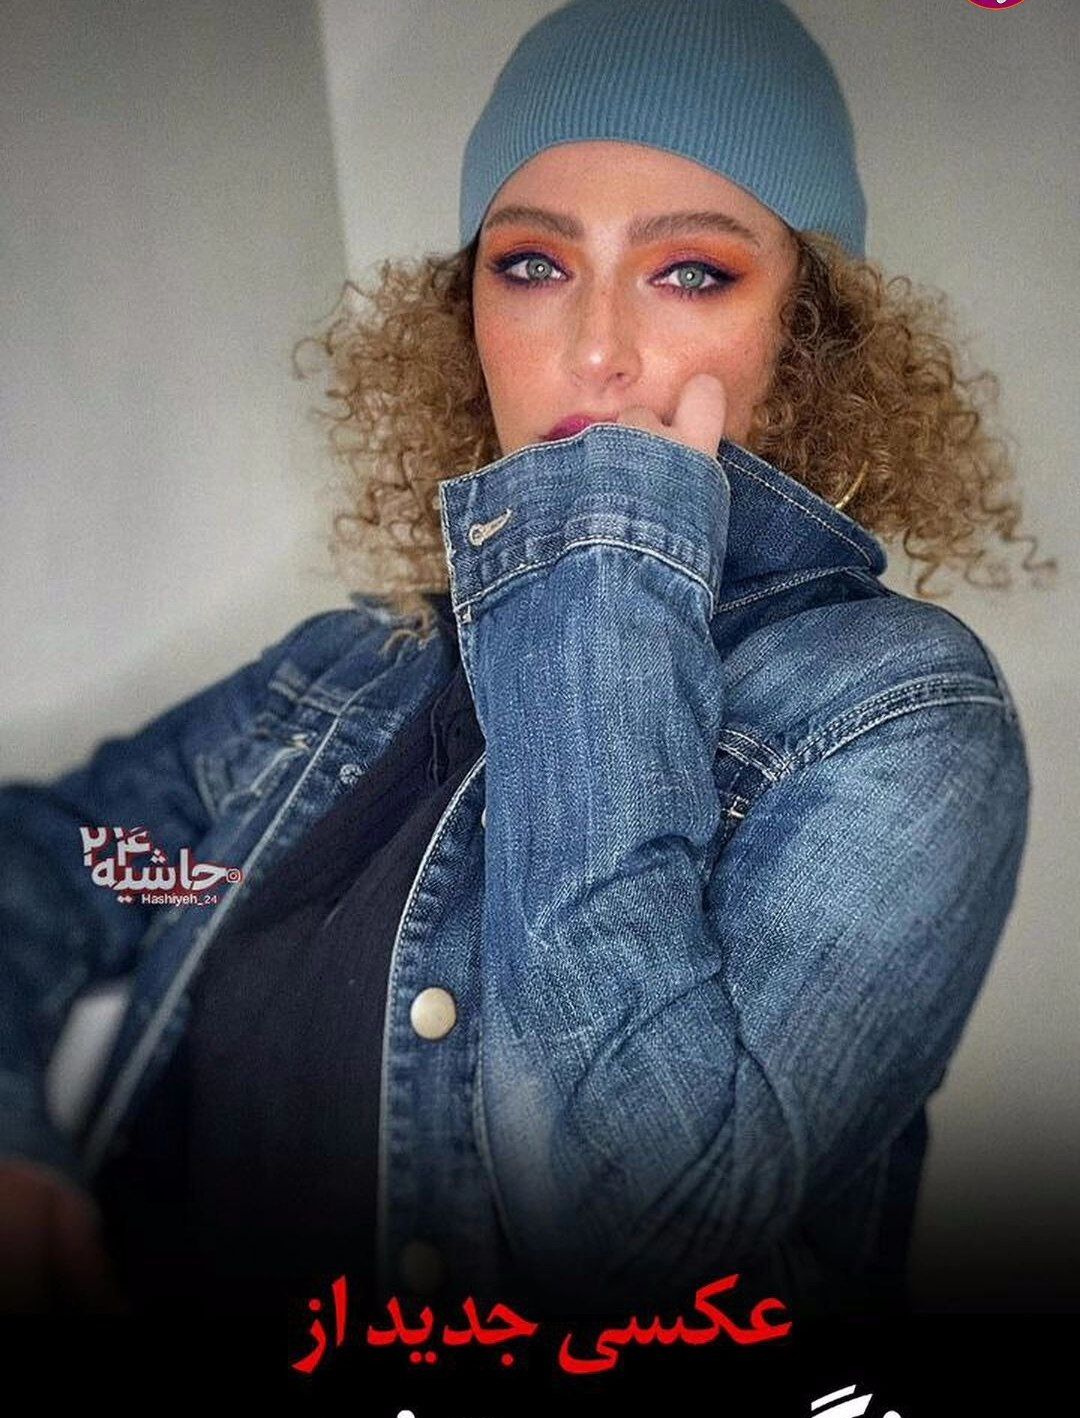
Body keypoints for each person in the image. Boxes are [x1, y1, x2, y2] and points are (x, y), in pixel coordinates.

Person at [0, 0, 1042, 1321]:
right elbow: (66, 860)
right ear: (468, 316)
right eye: (533, 265)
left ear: (808, 338)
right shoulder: (351, 671)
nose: (594, 349)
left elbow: (636, 1235)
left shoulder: (897, 711)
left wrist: (608, 553)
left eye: (691, 273)